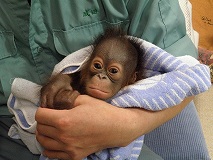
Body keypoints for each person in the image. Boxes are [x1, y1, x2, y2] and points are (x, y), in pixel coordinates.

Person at [0, 0, 210, 160]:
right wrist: (64, 82)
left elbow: (186, 74)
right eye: (98, 67)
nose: (101, 77)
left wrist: (127, 125)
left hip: (142, 117)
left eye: (111, 72)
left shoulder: (139, 86)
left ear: (131, 79)